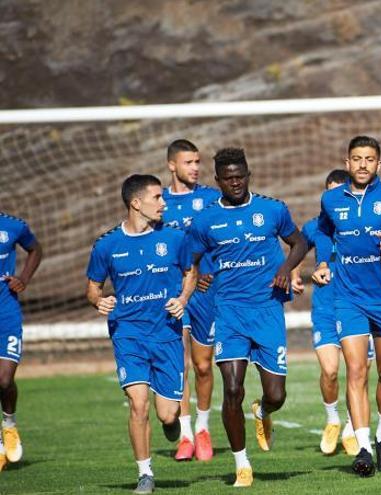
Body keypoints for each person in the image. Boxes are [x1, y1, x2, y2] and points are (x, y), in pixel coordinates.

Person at [188, 148, 308, 487]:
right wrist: (196, 277)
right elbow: (188, 259)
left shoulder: (272, 209)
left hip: (268, 310)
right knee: (231, 389)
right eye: (228, 178)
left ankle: (263, 411)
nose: (235, 182)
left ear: (248, 174)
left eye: (240, 175)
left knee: (277, 394)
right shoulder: (206, 220)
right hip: (229, 313)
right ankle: (242, 465)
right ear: (218, 181)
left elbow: (299, 243)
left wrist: (286, 268)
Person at [86, 174, 194, 493]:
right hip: (128, 334)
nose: (164, 203)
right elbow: (92, 288)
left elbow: (191, 272)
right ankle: (145, 474)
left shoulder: (175, 238)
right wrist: (99, 300)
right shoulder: (106, 245)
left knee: (166, 413)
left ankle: (172, 423)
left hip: (167, 335)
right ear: (137, 203)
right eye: (158, 197)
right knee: (138, 403)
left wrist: (183, 298)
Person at [314, 136, 381, 476]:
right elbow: (322, 232)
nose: (363, 164)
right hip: (348, 297)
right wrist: (324, 261)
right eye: (357, 159)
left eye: (370, 159)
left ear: (379, 164)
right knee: (356, 370)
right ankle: (364, 446)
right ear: (348, 161)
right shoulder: (330, 199)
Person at [294, 169, 373, 456]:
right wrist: (293, 274)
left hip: (360, 307)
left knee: (359, 372)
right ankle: (332, 419)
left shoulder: (366, 223)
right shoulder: (316, 227)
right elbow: (296, 249)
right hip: (327, 308)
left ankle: (354, 427)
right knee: (329, 371)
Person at [160, 139, 222, 462]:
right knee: (180, 364)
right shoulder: (158, 201)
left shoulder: (212, 199)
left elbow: (224, 237)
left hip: (205, 293)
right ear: (172, 165)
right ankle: (185, 435)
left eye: (198, 162)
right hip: (173, 295)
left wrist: (213, 271)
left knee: (202, 365)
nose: (196, 168)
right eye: (188, 162)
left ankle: (203, 428)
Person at [0, 212, 42, 472]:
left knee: (4, 379)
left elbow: (35, 249)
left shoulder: (13, 226)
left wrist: (23, 278)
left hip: (6, 314)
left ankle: (9, 423)